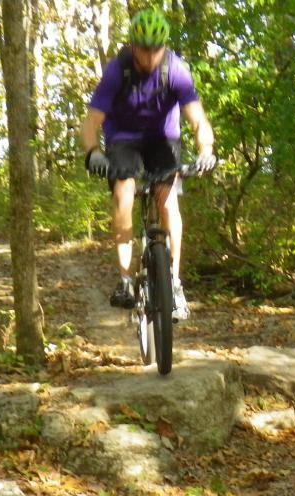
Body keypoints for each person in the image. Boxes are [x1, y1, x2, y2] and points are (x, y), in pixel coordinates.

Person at [81, 8, 216, 321]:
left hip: (163, 140)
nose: (150, 56)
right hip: (123, 139)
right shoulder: (118, 70)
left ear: (164, 47)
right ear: (132, 46)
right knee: (124, 194)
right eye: (144, 48)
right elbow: (91, 122)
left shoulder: (176, 70)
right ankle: (126, 279)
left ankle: (176, 283)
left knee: (167, 202)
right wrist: (93, 153)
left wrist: (206, 148)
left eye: (156, 49)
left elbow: (197, 118)